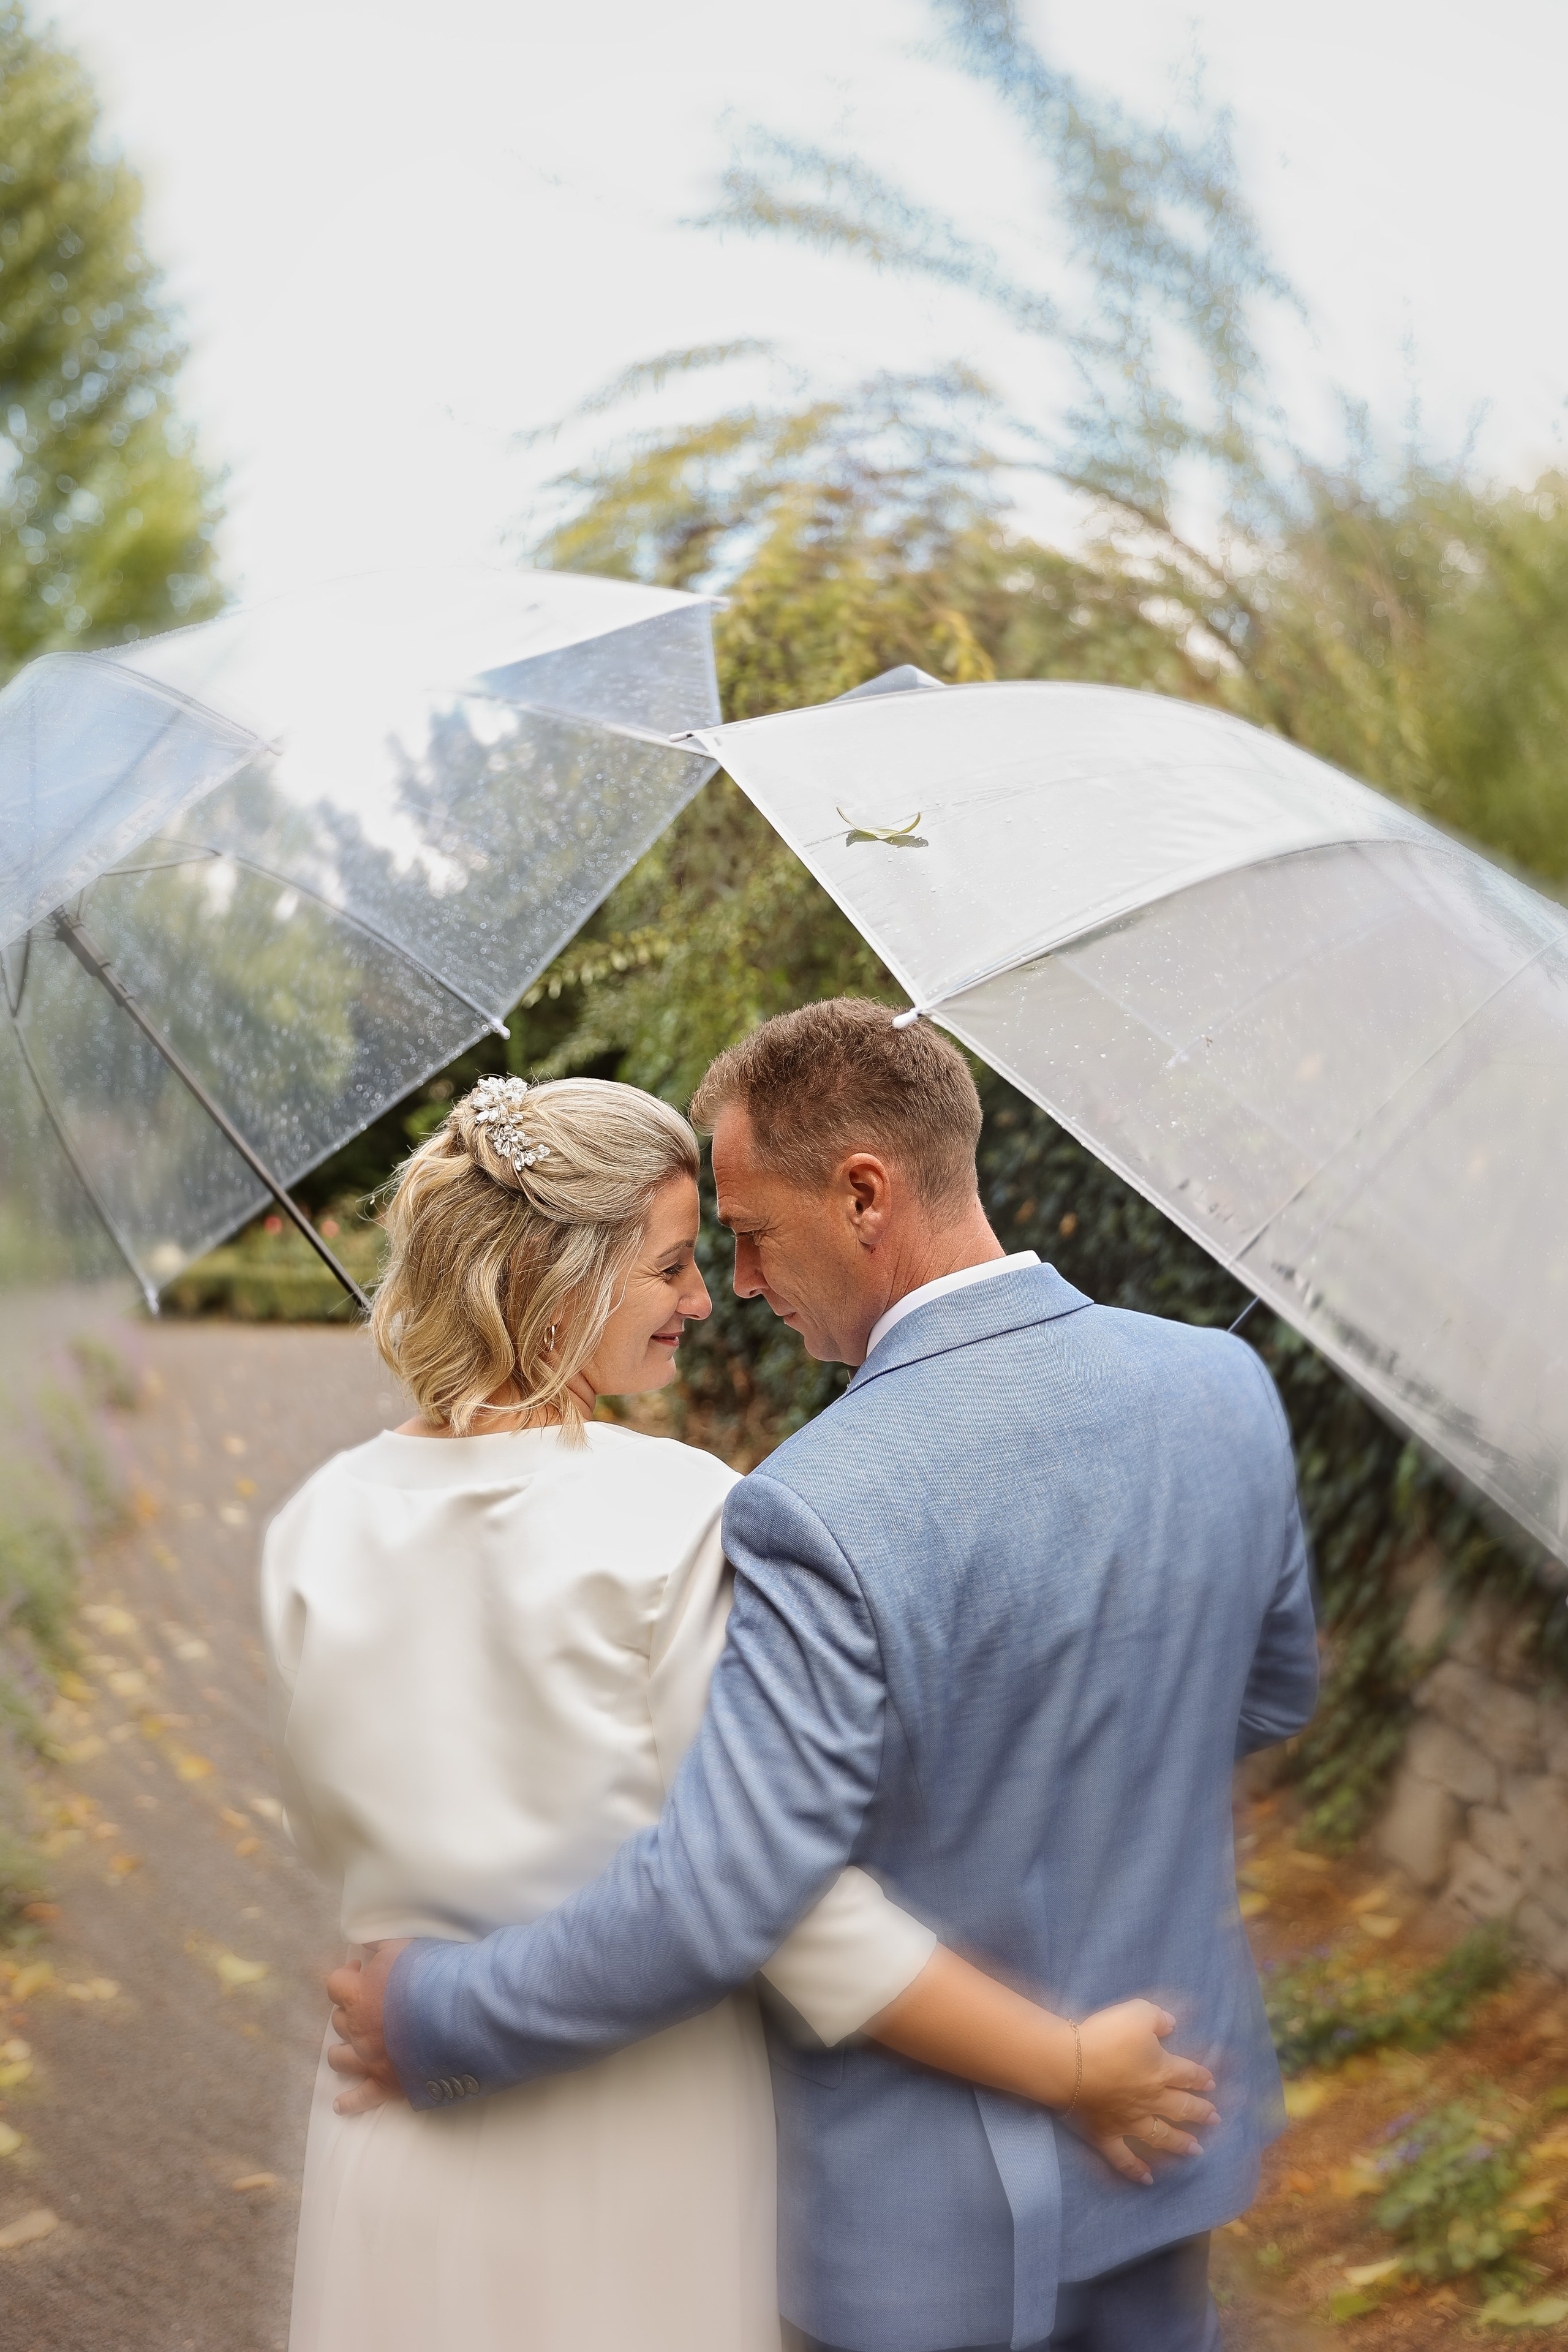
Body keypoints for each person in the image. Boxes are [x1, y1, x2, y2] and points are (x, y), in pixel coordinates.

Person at [331, 1003, 1319, 2351]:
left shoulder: (812, 1502)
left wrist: (437, 2009)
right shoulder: (1223, 1386)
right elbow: (1265, 1696)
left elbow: (723, 1894)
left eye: (748, 1233)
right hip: (1167, 2127)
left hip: (905, 2241)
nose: (736, 1282)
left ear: (864, 1194)